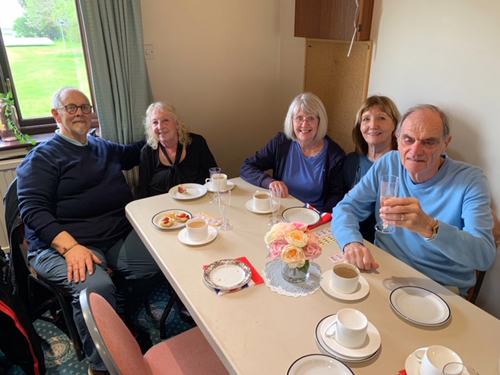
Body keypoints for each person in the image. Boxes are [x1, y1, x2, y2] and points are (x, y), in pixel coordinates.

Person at [16, 87, 162, 375]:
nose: (80, 113)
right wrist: (70, 247)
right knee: (95, 287)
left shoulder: (100, 146)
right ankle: (101, 366)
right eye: (71, 108)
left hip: (114, 236)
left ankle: (116, 317)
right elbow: (32, 210)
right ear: (56, 114)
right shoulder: (42, 157)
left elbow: (133, 153)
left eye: (85, 107)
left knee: (163, 260)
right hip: (62, 244)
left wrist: (160, 133)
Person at [332, 104, 496, 296]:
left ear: (446, 143)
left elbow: (484, 255)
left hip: (438, 289)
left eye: (429, 142)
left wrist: (429, 227)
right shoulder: (388, 162)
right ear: (398, 139)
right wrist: (351, 242)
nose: (415, 150)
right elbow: (346, 208)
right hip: (383, 272)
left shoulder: (471, 180)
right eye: (408, 140)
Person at [240, 92, 345, 213]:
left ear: (320, 122)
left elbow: (336, 197)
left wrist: (322, 220)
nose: (304, 124)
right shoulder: (281, 143)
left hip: (313, 217)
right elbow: (247, 166)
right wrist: (269, 182)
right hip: (280, 211)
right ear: (292, 121)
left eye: (311, 118)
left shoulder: (335, 156)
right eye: (299, 118)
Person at [343, 95, 401, 242]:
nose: (373, 125)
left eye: (381, 118)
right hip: (353, 238)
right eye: (366, 119)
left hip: (389, 245)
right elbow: (342, 208)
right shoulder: (351, 161)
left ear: (394, 124)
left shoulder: (403, 165)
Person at [136, 102, 217, 199]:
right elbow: (142, 190)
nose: (160, 126)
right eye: (155, 122)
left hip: (199, 203)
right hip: (162, 208)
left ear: (177, 124)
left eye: (165, 120)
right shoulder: (147, 152)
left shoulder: (197, 143)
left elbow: (215, 175)